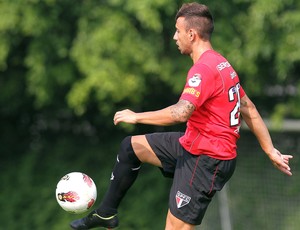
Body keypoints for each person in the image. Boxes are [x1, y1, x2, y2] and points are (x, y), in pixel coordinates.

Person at [70, 2, 293, 230]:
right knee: (131, 147)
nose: (175, 37)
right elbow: (249, 109)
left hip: (208, 159)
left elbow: (181, 112)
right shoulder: (222, 64)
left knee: (174, 228)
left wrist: (136, 117)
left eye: (177, 31)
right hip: (193, 144)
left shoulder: (203, 69)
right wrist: (270, 150)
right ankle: (106, 213)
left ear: (191, 34)